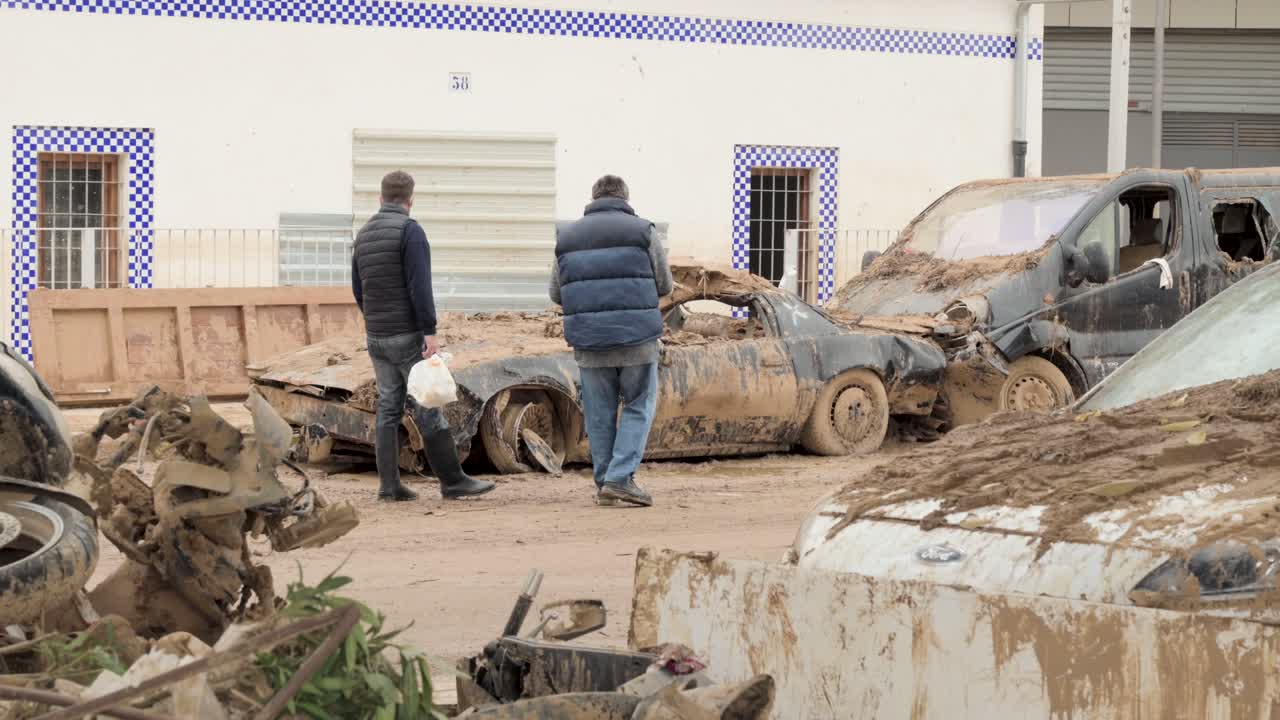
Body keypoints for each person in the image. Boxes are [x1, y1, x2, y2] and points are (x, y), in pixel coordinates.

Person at [352, 170, 496, 502]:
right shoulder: (410, 231)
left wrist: (375, 321)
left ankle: (389, 487)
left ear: (380, 198)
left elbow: (359, 288)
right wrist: (429, 330)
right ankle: (453, 482)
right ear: (410, 201)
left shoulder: (364, 234)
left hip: (377, 335)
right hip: (406, 335)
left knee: (388, 407)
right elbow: (420, 286)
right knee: (428, 405)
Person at [550, 175, 673, 507]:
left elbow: (555, 293)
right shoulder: (644, 231)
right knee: (637, 405)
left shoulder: (567, 236)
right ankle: (620, 478)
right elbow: (664, 285)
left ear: (592, 198)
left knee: (599, 413)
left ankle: (606, 481)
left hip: (590, 341)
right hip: (638, 338)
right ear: (625, 198)